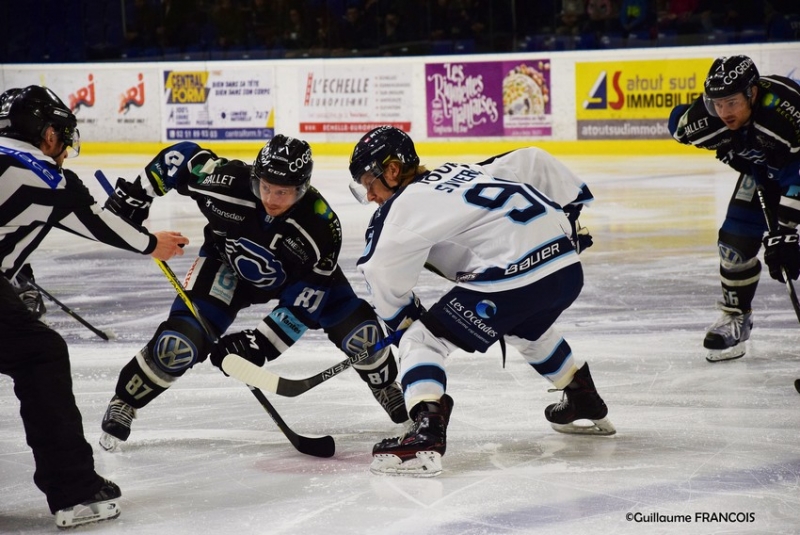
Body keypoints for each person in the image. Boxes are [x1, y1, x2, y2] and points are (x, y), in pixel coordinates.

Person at [99, 135, 408, 453]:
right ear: (256, 177)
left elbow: (303, 304)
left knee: (362, 335)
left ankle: (385, 385)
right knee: (179, 343)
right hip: (226, 267)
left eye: (283, 191)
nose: (272, 199)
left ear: (302, 188)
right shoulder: (226, 183)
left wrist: (257, 346)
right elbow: (181, 157)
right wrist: (138, 195)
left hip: (298, 280)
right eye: (266, 187)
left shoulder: (321, 226)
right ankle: (126, 401)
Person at [346, 126, 615, 476]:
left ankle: (426, 430)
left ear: (393, 170)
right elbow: (532, 160)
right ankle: (583, 398)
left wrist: (402, 322)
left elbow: (379, 269)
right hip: (565, 267)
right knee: (522, 328)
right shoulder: (463, 170)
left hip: (514, 276)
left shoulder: (401, 206)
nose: (369, 195)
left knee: (421, 340)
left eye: (369, 182)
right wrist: (571, 212)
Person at [0, 85, 190, 528]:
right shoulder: (42, 172)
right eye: (62, 135)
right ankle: (75, 492)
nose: (64, 146)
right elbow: (95, 222)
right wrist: (152, 243)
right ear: (47, 135)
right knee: (40, 354)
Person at [669, 55, 800, 362]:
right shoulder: (709, 118)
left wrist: (786, 232)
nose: (723, 112)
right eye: (717, 104)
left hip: (795, 168)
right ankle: (736, 317)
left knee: (788, 246)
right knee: (734, 244)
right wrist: (731, 150)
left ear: (752, 93)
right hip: (765, 172)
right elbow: (677, 124)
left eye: (731, 103)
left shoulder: (784, 115)